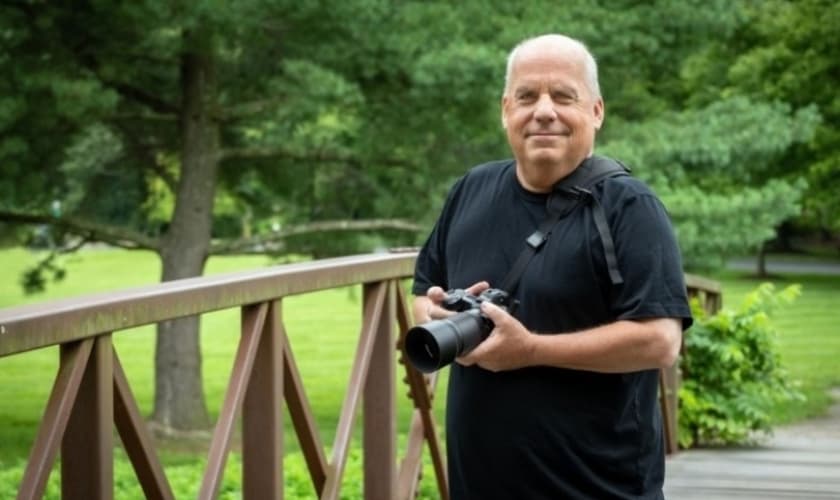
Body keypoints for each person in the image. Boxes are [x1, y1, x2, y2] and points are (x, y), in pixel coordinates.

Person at [411, 33, 693, 499]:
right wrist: (439, 315)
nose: (544, 111)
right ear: (506, 110)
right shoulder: (470, 190)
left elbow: (660, 341)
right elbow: (424, 293)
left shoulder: (630, 207)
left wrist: (531, 350)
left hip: (599, 488)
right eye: (527, 97)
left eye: (564, 96)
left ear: (596, 111)